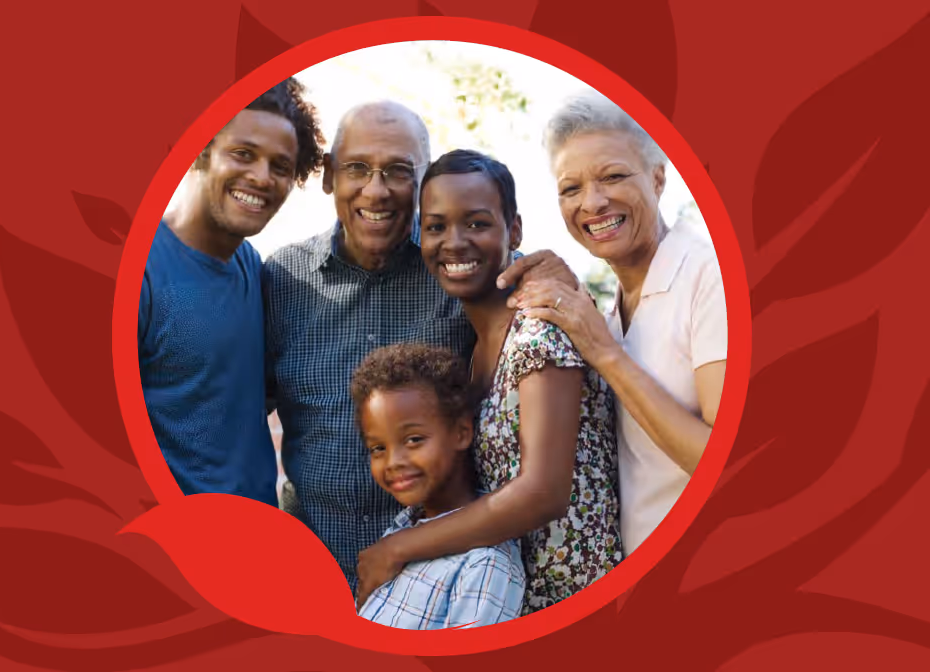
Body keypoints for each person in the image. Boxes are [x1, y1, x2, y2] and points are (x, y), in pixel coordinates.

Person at [263, 101, 576, 594]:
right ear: (328, 177)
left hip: (443, 580)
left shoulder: (457, 267)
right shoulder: (281, 279)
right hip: (312, 572)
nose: (376, 189)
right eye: (357, 169)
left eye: (398, 171)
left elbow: (540, 295)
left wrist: (559, 277)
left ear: (424, 180)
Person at [356, 150, 621, 614]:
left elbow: (542, 493)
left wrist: (398, 548)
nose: (453, 242)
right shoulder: (474, 346)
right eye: (436, 227)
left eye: (476, 223)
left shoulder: (539, 329)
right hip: (498, 604)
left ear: (513, 230)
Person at [511, 94, 727, 555]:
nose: (593, 202)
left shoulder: (710, 278)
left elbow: (723, 460)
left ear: (657, 178)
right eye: (571, 189)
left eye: (612, 176)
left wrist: (603, 352)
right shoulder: (611, 311)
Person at [139, 77, 324, 506]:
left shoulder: (254, 269)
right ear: (201, 150)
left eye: (280, 166)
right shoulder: (142, 274)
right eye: (243, 154)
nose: (261, 178)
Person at [351, 343, 525, 629]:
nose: (393, 461)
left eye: (414, 440)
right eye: (378, 448)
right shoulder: (404, 526)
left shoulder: (484, 565)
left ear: (461, 432)